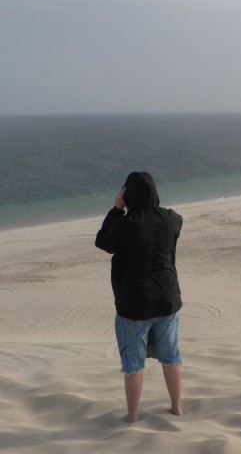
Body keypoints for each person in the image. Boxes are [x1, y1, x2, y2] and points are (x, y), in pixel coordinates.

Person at [95, 172, 184, 422]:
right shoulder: (173, 219)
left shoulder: (125, 224)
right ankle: (177, 408)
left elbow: (103, 241)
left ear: (127, 194)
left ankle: (133, 416)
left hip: (134, 304)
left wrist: (116, 209)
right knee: (171, 356)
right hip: (167, 298)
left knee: (134, 364)